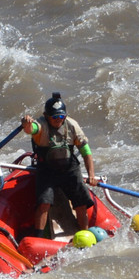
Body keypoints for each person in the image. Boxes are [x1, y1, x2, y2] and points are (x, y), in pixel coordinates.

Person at [21, 92, 98, 236]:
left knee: (81, 202)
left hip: (69, 168)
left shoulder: (72, 125)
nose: (58, 120)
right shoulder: (41, 125)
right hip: (47, 170)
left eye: (61, 116)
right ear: (46, 115)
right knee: (44, 203)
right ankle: (38, 237)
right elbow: (31, 129)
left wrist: (91, 175)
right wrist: (27, 124)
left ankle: (85, 233)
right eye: (54, 117)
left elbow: (86, 152)